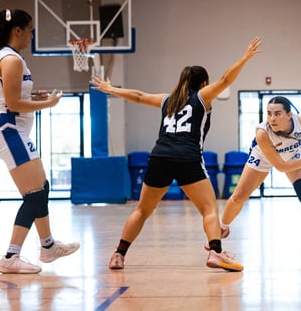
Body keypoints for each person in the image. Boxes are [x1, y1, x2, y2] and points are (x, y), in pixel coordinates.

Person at [90, 37, 262, 271]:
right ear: (203, 82)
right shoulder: (202, 97)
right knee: (209, 209)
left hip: (159, 157)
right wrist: (245, 58)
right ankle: (216, 253)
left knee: (142, 210)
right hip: (187, 157)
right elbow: (225, 80)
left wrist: (112, 89)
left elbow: (139, 96)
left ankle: (118, 254)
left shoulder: (167, 101)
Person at [0, 9, 80, 274]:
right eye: (29, 30)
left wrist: (36, 97)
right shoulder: (11, 60)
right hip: (8, 129)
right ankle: (10, 257)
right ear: (17, 30)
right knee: (34, 194)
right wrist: (47, 103)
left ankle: (48, 246)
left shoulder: (10, 58)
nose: (31, 35)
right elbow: (14, 103)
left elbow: (13, 98)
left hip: (14, 128)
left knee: (42, 187)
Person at [218, 96, 301, 256]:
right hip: (263, 157)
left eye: (277, 113)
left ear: (289, 115)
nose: (272, 118)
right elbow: (280, 166)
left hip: (293, 154)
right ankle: (222, 227)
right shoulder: (262, 133)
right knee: (239, 196)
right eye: (269, 113)